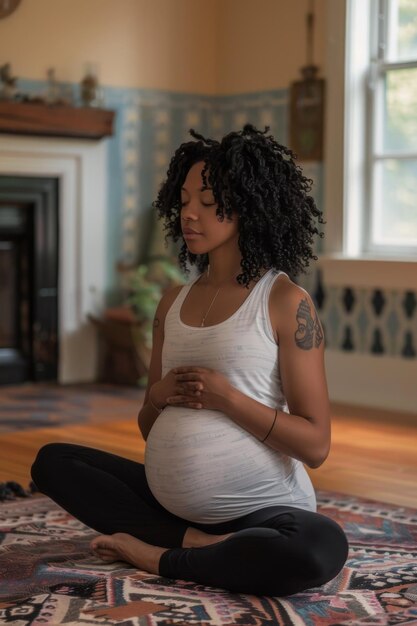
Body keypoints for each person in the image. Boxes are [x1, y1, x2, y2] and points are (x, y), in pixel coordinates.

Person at [31, 125, 348, 597]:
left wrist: (229, 400)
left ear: (248, 204)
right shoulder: (171, 303)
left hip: (264, 510)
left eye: (206, 200)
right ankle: (199, 546)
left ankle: (157, 555)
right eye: (183, 201)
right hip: (173, 507)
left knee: (317, 548)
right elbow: (148, 426)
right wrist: (157, 397)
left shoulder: (284, 300)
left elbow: (317, 445)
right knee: (52, 462)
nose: (189, 214)